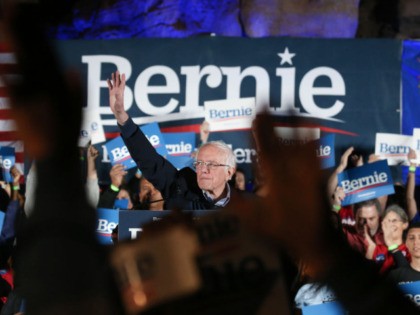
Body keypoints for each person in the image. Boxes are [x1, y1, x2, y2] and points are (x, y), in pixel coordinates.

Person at [107, 70, 244, 210]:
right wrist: (122, 118)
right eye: (200, 163)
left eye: (212, 164)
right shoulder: (181, 186)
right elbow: (150, 161)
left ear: (229, 172)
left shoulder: (251, 207)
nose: (203, 170)